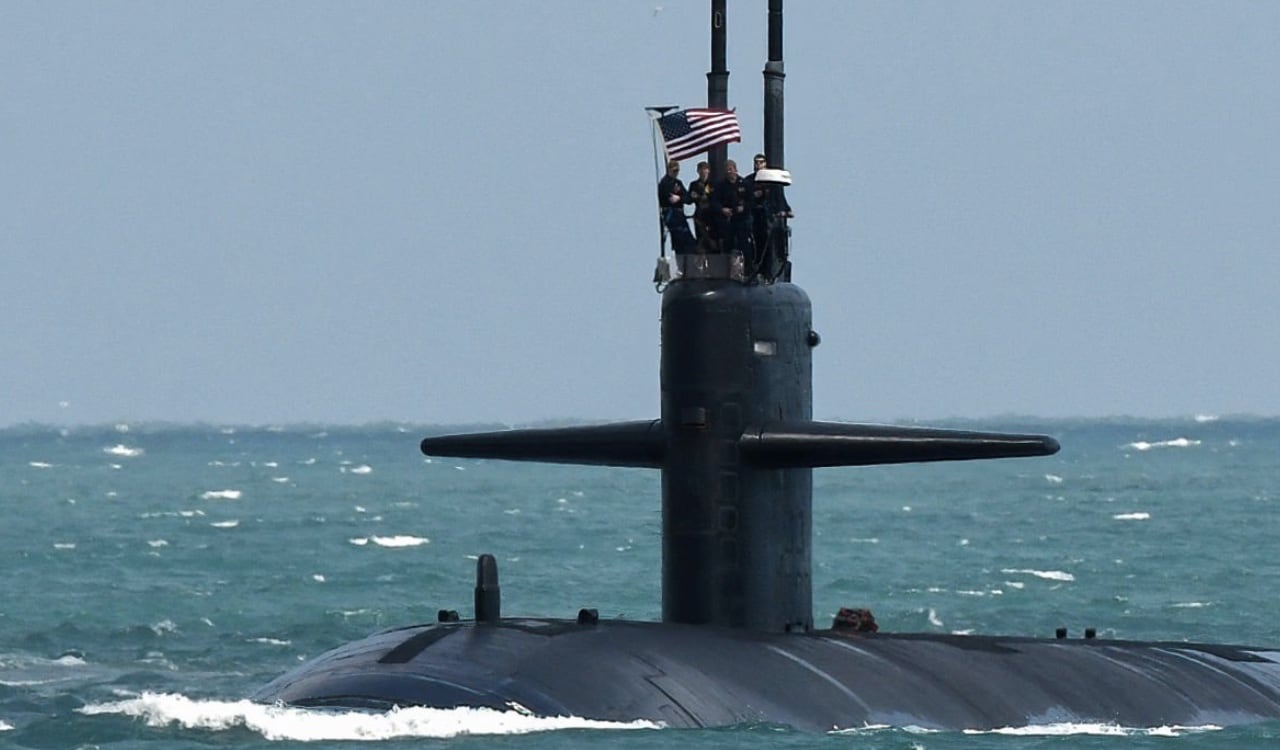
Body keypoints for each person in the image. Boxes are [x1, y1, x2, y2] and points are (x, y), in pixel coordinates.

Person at [746, 153, 794, 277]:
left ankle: (768, 271)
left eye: (761, 162)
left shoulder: (773, 182)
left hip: (768, 220)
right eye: (756, 162)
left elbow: (780, 199)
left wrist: (787, 210)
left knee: (770, 246)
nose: (758, 165)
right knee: (757, 245)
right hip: (755, 219)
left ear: (765, 164)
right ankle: (756, 268)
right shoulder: (749, 181)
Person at [711, 159, 752, 258]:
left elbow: (751, 200)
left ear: (735, 169)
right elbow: (714, 201)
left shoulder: (744, 184)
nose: (729, 172)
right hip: (728, 219)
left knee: (744, 244)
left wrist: (744, 208)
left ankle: (747, 264)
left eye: (730, 169)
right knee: (728, 244)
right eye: (727, 170)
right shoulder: (721, 185)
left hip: (742, 219)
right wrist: (722, 209)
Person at [657, 159, 696, 254]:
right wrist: (679, 198)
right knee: (680, 239)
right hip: (671, 214)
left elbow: (688, 199)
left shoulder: (678, 183)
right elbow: (670, 199)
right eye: (674, 171)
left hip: (680, 215)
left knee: (689, 242)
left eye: (677, 171)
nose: (676, 173)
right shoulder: (664, 183)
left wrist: (680, 198)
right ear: (669, 170)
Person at [686, 160, 716, 252]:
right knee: (700, 236)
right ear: (698, 171)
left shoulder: (713, 184)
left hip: (711, 214)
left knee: (712, 236)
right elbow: (689, 199)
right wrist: (697, 197)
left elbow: (715, 197)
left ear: (708, 171)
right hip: (699, 214)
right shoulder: (694, 185)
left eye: (705, 169)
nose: (703, 172)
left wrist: (703, 197)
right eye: (701, 170)